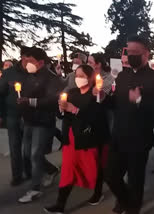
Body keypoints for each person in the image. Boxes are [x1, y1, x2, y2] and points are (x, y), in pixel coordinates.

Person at [103, 35, 154, 214]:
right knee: (111, 175)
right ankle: (125, 200)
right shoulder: (123, 75)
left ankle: (133, 207)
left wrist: (139, 101)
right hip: (119, 135)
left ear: (145, 54)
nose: (130, 55)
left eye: (134, 52)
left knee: (135, 179)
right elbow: (116, 103)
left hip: (139, 137)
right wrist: (103, 98)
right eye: (128, 51)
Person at [44, 65, 110, 214]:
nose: (78, 78)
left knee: (95, 168)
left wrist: (74, 109)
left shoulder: (96, 94)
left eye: (82, 75)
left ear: (90, 77)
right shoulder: (72, 92)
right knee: (67, 170)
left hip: (88, 140)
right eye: (76, 75)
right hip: (71, 138)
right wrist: (61, 109)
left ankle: (97, 192)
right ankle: (60, 205)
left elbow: (95, 118)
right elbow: (62, 115)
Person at [17, 47, 64, 203]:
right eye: (25, 60)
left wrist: (29, 101)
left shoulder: (51, 78)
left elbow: (52, 100)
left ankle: (35, 189)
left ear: (41, 62)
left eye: (30, 61)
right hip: (29, 120)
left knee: (35, 155)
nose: (27, 64)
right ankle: (51, 170)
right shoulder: (29, 76)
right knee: (26, 154)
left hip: (43, 122)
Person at [0, 47, 30, 186]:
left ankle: (30, 171)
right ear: (23, 57)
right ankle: (17, 175)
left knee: (29, 146)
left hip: (29, 115)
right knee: (15, 145)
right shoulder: (8, 74)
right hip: (13, 115)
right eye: (28, 59)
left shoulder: (32, 73)